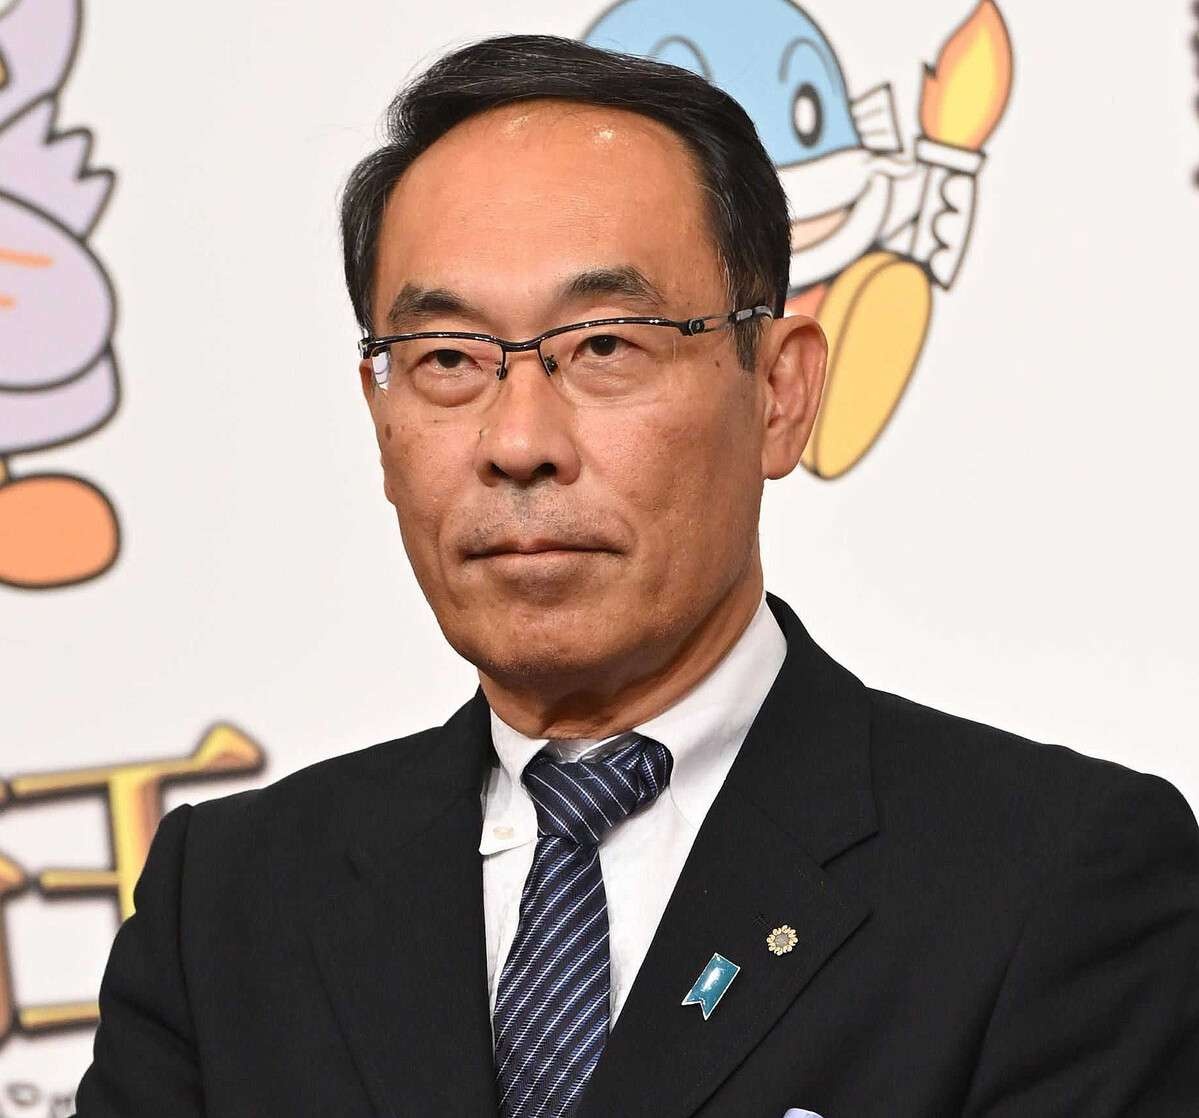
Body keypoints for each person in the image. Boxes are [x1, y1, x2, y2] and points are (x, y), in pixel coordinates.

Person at [73, 34, 1198, 1118]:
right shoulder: (228, 901)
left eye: (605, 344)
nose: (519, 441)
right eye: (447, 358)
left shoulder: (1050, 877)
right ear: (380, 419)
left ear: (779, 392)